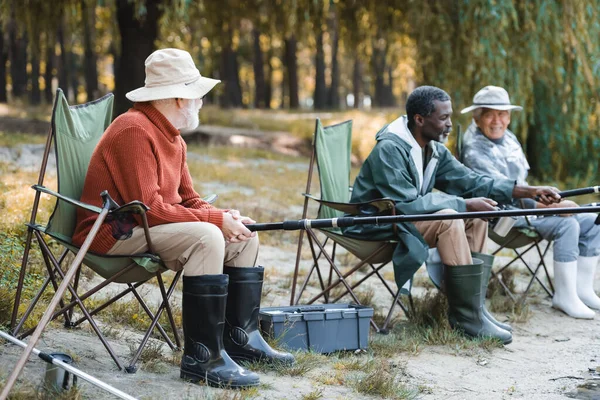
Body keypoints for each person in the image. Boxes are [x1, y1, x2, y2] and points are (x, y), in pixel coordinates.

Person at [72, 48, 293, 388]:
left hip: (144, 226)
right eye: (198, 96)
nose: (201, 103)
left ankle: (240, 340)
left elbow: (188, 199)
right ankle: (203, 359)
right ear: (178, 97)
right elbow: (148, 208)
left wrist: (225, 216)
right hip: (113, 230)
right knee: (208, 237)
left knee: (246, 234)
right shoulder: (133, 129)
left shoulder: (172, 136)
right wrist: (214, 221)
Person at [342, 85, 561, 344]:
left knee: (477, 217)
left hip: (405, 221)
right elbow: (405, 205)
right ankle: (466, 318)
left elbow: (472, 181)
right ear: (419, 119)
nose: (449, 124)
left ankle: (473, 309)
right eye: (443, 118)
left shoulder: (432, 148)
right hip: (375, 225)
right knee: (449, 218)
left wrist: (529, 190)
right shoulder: (391, 148)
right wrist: (465, 204)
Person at [461, 85, 600, 319]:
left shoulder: (508, 138)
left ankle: (582, 290)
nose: (498, 120)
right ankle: (564, 296)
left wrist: (551, 203)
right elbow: (502, 191)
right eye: (489, 114)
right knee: (568, 224)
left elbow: (523, 183)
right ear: (477, 117)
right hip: (504, 219)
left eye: (503, 113)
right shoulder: (474, 148)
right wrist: (550, 207)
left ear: (510, 116)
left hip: (528, 210)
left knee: (594, 220)